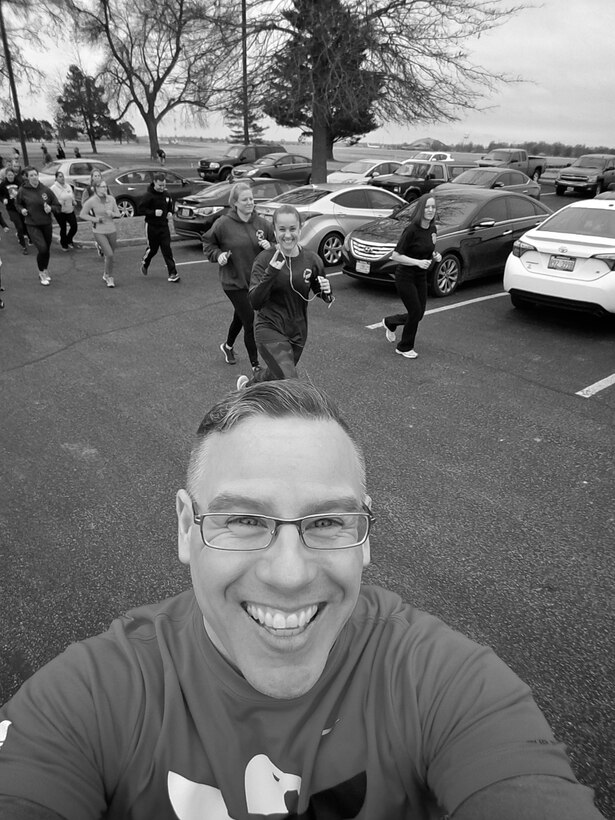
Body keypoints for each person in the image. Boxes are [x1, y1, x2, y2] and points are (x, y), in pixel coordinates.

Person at [0, 380, 606, 820]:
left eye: (326, 523)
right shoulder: (91, 697)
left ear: (365, 536)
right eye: (243, 520)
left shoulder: (444, 683)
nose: (289, 575)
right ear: (186, 529)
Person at [238, 204, 333, 389]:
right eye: (282, 229)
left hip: (297, 332)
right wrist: (272, 272)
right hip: (269, 328)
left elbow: (319, 291)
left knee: (276, 373)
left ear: (300, 228)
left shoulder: (313, 260)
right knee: (289, 381)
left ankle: (249, 387)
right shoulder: (264, 259)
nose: (287, 235)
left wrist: (327, 292)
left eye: (292, 229)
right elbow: (255, 302)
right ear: (274, 230)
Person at [202, 182, 274, 373]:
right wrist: (219, 256)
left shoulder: (262, 223)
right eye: (245, 199)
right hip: (233, 281)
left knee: (241, 316)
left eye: (251, 199)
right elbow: (209, 243)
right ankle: (255, 365)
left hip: (255, 281)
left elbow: (277, 242)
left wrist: (270, 246)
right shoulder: (223, 224)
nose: (250, 202)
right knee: (250, 320)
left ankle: (227, 346)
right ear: (235, 203)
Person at [379, 194, 442, 360]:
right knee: (414, 312)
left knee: (419, 314)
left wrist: (435, 255)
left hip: (420, 277)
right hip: (405, 276)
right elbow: (396, 255)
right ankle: (404, 347)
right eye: (427, 207)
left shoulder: (433, 229)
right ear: (421, 209)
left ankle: (390, 322)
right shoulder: (411, 230)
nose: (430, 210)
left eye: (433, 207)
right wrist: (418, 262)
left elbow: (428, 249)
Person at [15, 166, 60, 286]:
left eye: (35, 175)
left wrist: (51, 208)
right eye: (31, 175)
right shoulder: (23, 190)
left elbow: (57, 205)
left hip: (46, 223)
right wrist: (22, 210)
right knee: (42, 248)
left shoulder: (45, 190)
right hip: (32, 224)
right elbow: (17, 204)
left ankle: (45, 269)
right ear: (27, 177)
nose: (34, 177)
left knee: (47, 250)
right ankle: (41, 273)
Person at [138, 171, 179, 282]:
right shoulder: (148, 195)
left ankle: (172, 273)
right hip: (152, 227)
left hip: (164, 227)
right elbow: (140, 209)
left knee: (167, 250)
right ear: (154, 183)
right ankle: (145, 263)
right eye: (160, 185)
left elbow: (170, 206)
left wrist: (170, 212)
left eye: (164, 185)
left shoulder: (166, 194)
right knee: (153, 249)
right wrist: (153, 213)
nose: (162, 188)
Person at [80, 181, 121, 288]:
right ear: (96, 188)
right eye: (102, 187)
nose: (105, 189)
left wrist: (112, 214)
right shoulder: (92, 201)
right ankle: (110, 277)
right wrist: (96, 219)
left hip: (112, 230)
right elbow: (82, 214)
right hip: (99, 231)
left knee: (110, 256)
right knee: (109, 254)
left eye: (105, 187)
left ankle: (106, 273)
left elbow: (118, 214)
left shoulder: (111, 199)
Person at [0, 168, 30, 254]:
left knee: (25, 223)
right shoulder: (3, 184)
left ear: (14, 175)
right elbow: (0, 195)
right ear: (6, 175)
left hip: (20, 207)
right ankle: (23, 246)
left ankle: (28, 237)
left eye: (12, 175)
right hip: (11, 208)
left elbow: (24, 192)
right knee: (19, 226)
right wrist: (3, 199)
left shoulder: (19, 182)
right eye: (8, 175)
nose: (10, 177)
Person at [50, 170, 78, 251]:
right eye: (60, 176)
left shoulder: (68, 186)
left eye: (63, 176)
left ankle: (69, 239)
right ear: (56, 178)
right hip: (60, 211)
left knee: (74, 226)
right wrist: (58, 203)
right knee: (63, 227)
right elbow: (51, 200)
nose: (62, 178)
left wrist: (73, 201)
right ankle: (64, 244)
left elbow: (71, 195)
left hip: (69, 209)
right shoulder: (53, 188)